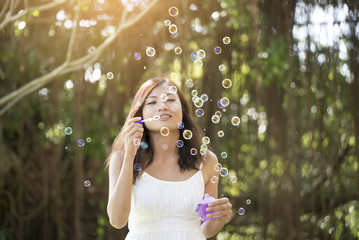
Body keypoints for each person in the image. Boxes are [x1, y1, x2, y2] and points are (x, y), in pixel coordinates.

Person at [106, 77, 232, 239]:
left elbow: (202, 229)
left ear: (183, 110)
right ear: (140, 114)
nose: (163, 107)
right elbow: (117, 220)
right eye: (152, 103)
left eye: (171, 99)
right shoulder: (122, 158)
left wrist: (218, 217)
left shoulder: (206, 160)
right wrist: (130, 155)